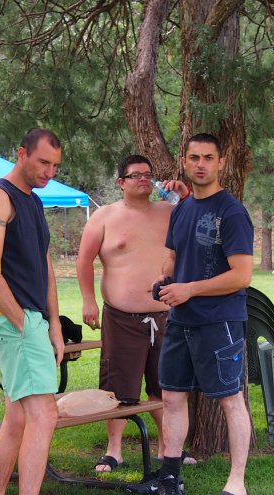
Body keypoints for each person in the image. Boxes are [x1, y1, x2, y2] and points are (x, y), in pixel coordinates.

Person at [0, 128, 77, 495]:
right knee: (44, 414)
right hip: (12, 319)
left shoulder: (32, 200)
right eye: (43, 163)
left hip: (33, 318)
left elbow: (45, 264)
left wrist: (53, 323)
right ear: (21, 153)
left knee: (17, 416)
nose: (49, 172)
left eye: (55, 166)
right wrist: (20, 321)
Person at [153, 133, 254, 495]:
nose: (200, 165)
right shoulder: (181, 209)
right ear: (184, 161)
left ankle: (237, 482)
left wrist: (190, 289)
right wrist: (164, 280)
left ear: (221, 163)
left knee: (230, 400)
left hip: (219, 320)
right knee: (172, 396)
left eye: (208, 158)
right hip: (182, 318)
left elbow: (242, 276)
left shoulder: (232, 212)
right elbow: (172, 257)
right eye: (194, 157)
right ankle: (170, 478)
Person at [76, 154, 177, 473]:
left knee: (165, 386)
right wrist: (88, 301)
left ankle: (168, 447)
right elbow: (84, 260)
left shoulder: (170, 212)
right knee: (117, 388)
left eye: (148, 174)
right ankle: (114, 450)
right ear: (121, 182)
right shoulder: (104, 216)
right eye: (135, 175)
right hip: (121, 316)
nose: (144, 179)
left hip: (165, 315)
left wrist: (184, 196)